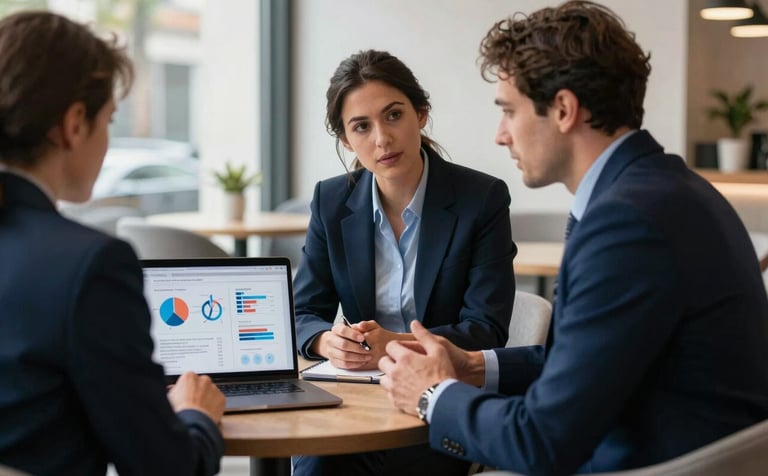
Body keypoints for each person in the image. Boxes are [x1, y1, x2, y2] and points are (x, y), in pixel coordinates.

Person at [378, 2, 768, 475]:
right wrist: (473, 366)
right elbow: (586, 358)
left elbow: (541, 443)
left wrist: (432, 394)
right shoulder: (669, 189)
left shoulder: (627, 224)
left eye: (509, 111)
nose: (501, 135)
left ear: (563, 109)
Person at [0, 11, 226, 475]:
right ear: (74, 123)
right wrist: (196, 415)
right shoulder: (88, 266)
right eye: (110, 119)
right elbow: (168, 469)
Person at [292, 50, 516, 475]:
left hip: (436, 399)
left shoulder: (481, 199)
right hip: (352, 400)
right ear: (346, 140)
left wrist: (392, 343)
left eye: (394, 116)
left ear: (421, 114)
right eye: (362, 126)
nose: (382, 139)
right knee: (316, 465)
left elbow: (486, 328)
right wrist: (328, 341)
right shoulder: (331, 201)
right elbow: (303, 312)